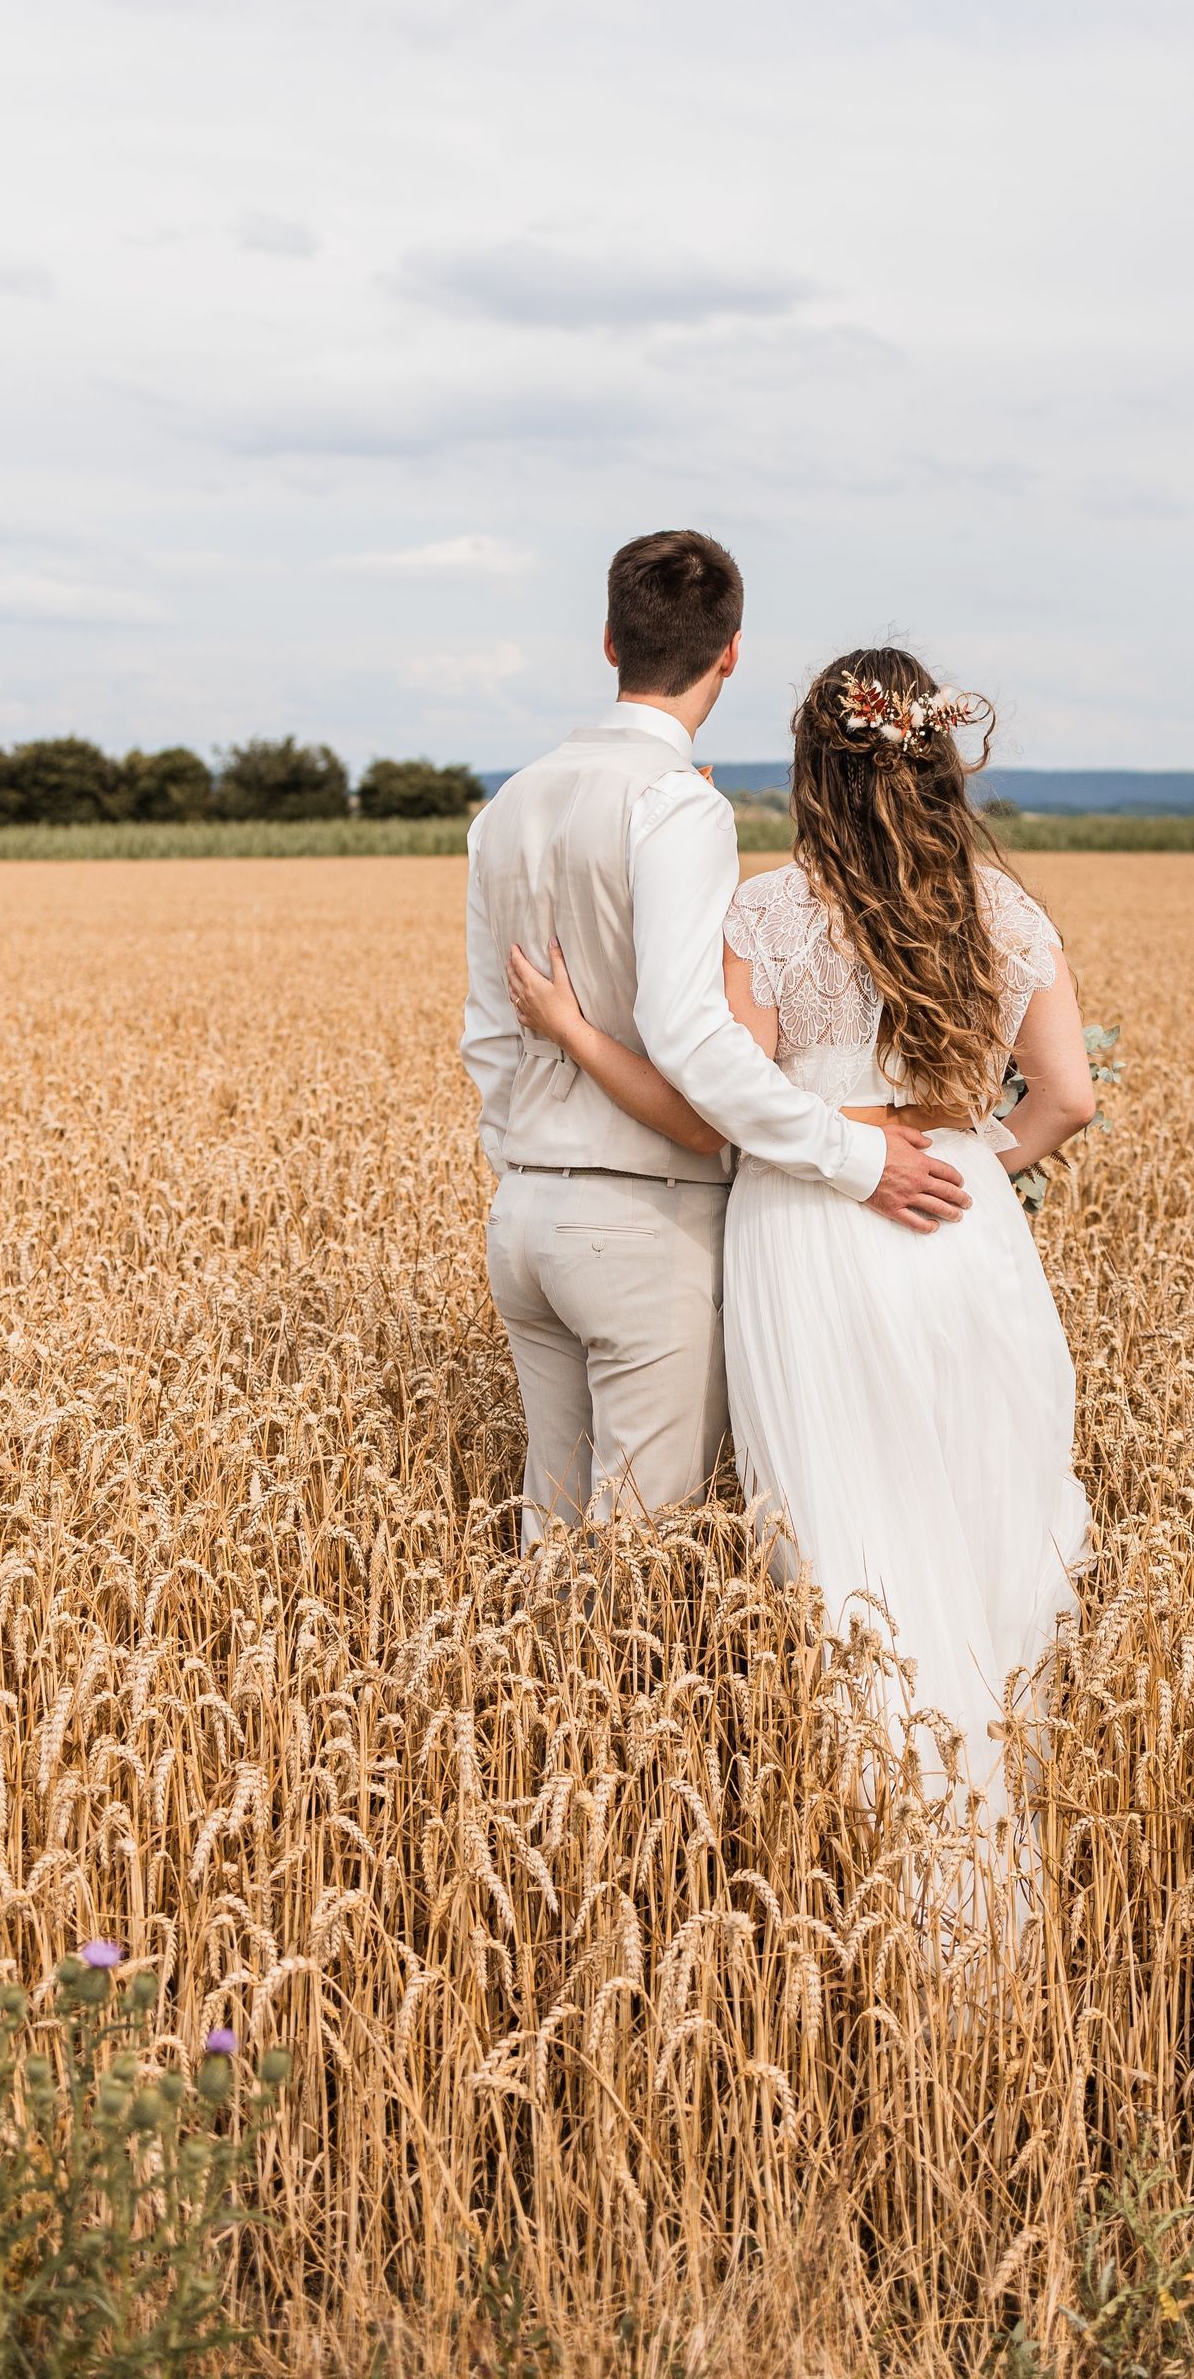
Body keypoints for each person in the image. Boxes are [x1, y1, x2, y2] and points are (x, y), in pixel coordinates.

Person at [503, 642, 1099, 1825]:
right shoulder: (1007, 912)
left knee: (849, 1550)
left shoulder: (774, 913)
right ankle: (996, 1816)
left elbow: (708, 1111)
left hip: (815, 1240)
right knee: (984, 1519)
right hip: (967, 1230)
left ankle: (884, 1836)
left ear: (812, 777)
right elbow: (1068, 1097)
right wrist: (975, 1163)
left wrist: (573, 1033)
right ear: (939, 765)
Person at [461, 535, 973, 1545]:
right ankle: (601, 1709)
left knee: (553, 1536)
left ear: (610, 639)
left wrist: (528, 1169)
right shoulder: (677, 804)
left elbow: (489, 1037)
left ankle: (528, 1705)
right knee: (637, 1549)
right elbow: (691, 1036)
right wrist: (858, 1155)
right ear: (729, 655)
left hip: (522, 1213)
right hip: (642, 1226)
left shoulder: (506, 805)